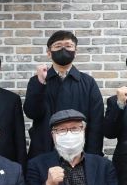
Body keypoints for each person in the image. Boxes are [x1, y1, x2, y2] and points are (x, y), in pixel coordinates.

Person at [24, 30, 103, 159]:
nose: (63, 50)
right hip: (44, 151)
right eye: (58, 46)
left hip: (79, 153)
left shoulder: (88, 83)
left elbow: (96, 122)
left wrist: (93, 156)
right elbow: (32, 113)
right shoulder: (37, 81)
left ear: (75, 52)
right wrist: (40, 83)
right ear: (49, 52)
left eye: (68, 46)